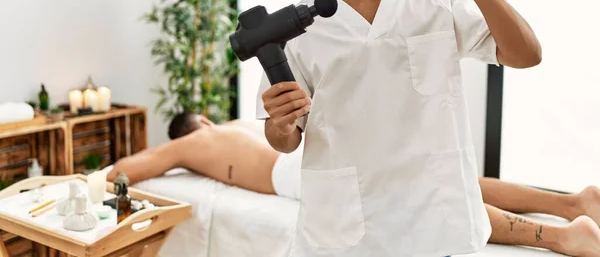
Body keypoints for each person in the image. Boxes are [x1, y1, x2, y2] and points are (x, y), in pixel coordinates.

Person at [254, 0, 542, 257]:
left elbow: (527, 54)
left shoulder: (433, 4)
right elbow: (285, 141)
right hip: (350, 236)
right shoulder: (297, 26)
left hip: (438, 227)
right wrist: (281, 122)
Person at [107, 113, 600, 256]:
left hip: (303, 173)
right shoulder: (235, 125)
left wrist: (100, 176)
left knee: (432, 197)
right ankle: (570, 204)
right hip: (325, 152)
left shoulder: (194, 145)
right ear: (207, 119)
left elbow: (133, 165)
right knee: (450, 181)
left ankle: (562, 235)